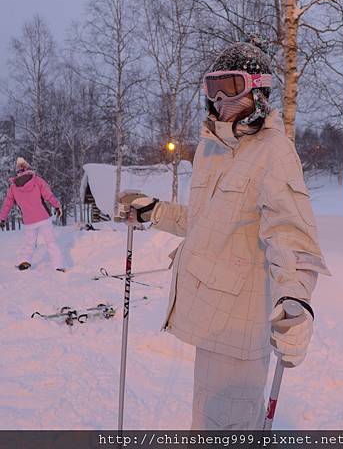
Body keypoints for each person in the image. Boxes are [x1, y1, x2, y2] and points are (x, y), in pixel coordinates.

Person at [117, 40, 331, 429]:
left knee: (225, 427)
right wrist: (155, 211)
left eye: (230, 86)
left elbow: (291, 235)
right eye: (212, 87)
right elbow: (204, 221)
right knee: (206, 423)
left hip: (239, 329)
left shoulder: (273, 152)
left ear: (258, 90)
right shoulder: (212, 149)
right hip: (210, 320)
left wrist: (296, 301)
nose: (219, 98)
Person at [0, 157, 65, 271]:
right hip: (43, 217)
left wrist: (2, 218)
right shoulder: (37, 180)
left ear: (17, 171)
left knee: (29, 243)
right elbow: (48, 195)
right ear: (28, 168)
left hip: (28, 220)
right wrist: (57, 206)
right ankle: (58, 265)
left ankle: (25, 261)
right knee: (51, 242)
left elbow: (7, 203)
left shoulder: (13, 187)